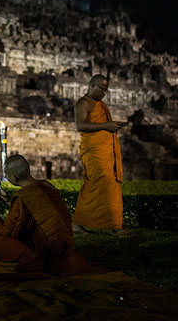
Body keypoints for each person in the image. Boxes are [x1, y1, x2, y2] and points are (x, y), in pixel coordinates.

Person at [0, 155, 86, 276]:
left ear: (14, 178)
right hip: (65, 247)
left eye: (7, 175)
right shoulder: (47, 185)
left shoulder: (23, 197)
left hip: (43, 251)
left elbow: (5, 233)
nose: (6, 177)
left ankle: (35, 261)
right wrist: (9, 202)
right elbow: (40, 211)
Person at [72, 74, 125, 234]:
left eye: (106, 90)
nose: (103, 93)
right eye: (101, 89)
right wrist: (106, 125)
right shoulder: (84, 103)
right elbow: (80, 125)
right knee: (96, 183)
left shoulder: (100, 105)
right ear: (92, 85)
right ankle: (99, 225)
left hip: (105, 150)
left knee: (108, 184)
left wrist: (110, 126)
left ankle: (107, 224)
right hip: (94, 151)